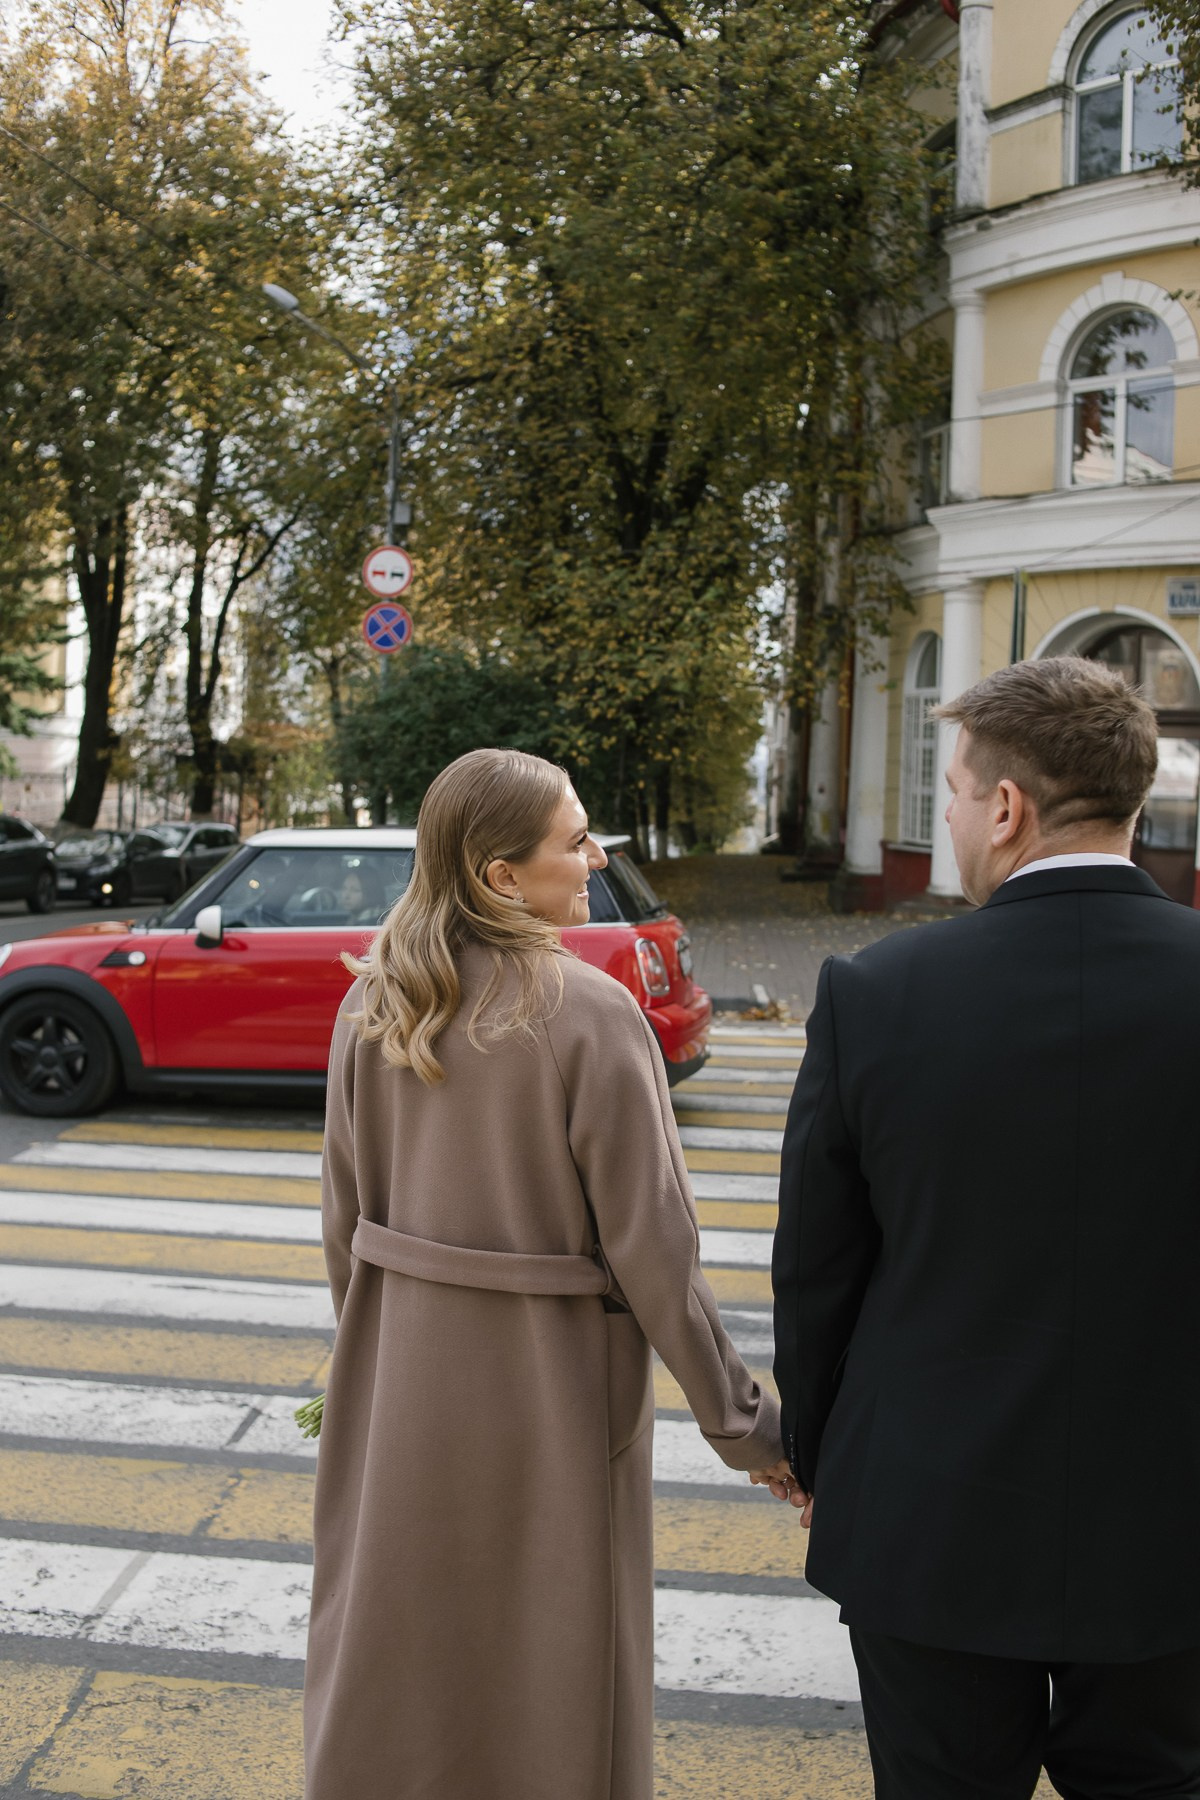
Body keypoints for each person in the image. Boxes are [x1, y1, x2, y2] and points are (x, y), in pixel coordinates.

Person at [304, 747, 785, 1800]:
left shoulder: (371, 1005)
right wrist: (749, 1430)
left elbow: (343, 1228)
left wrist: (378, 1355)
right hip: (551, 1391)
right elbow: (659, 1257)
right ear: (498, 875)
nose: (596, 857)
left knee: (399, 1640)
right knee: (551, 1661)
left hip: (398, 1387)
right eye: (575, 840)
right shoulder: (589, 1015)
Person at [771, 656, 1200, 1798]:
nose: (953, 818)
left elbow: (816, 1274)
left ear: (1005, 808)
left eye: (953, 794)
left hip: (931, 1515)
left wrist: (812, 1452)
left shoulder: (874, 993)